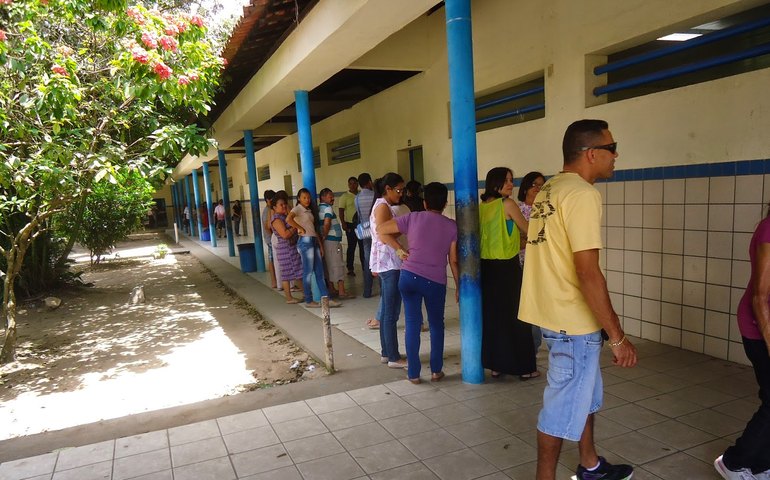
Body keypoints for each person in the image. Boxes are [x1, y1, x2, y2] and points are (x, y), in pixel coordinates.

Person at [519, 119, 637, 480]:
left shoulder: (551, 187)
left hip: (553, 314)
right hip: (572, 323)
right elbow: (587, 272)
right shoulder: (583, 194)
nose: (616, 155)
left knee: (583, 395)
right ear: (591, 153)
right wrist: (617, 336)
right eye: (611, 148)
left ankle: (591, 465)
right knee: (559, 409)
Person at [377, 182, 458, 384]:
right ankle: (436, 371)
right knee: (436, 324)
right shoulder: (451, 226)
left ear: (425, 202)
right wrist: (458, 286)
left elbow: (381, 229)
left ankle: (413, 374)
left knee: (412, 323)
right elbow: (453, 260)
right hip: (435, 281)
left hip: (409, 277)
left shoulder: (412, 218)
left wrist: (399, 249)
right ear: (445, 203)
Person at [714, 207, 770, 479]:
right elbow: (760, 296)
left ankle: (761, 465)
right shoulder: (769, 229)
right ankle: (733, 462)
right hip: (761, 328)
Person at [479, 167, 538, 380]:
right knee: (517, 317)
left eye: (511, 180)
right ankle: (525, 368)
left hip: (486, 269)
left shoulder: (481, 207)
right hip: (507, 269)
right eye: (506, 181)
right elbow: (529, 229)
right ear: (495, 183)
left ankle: (496, 365)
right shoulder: (507, 204)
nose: (511, 185)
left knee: (494, 318)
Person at [370, 173, 407, 369]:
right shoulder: (383, 206)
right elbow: (383, 234)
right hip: (390, 263)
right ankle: (394, 357)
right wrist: (402, 251)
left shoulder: (382, 205)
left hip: (385, 263)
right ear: (388, 189)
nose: (401, 194)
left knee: (386, 311)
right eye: (398, 190)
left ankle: (386, 353)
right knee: (391, 313)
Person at [287, 188, 341, 308]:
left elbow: (313, 229)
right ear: (299, 198)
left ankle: (326, 299)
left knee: (319, 272)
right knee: (308, 273)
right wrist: (299, 228)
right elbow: (288, 219)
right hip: (305, 241)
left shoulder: (308, 210)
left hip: (313, 241)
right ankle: (308, 300)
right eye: (304, 198)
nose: (307, 200)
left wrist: (320, 245)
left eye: (308, 197)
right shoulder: (297, 209)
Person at [517, 171, 546, 353]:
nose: (538, 188)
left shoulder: (546, 211)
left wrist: (528, 238)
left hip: (542, 266)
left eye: (541, 185)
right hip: (521, 265)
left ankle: (534, 346)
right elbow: (516, 241)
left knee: (539, 307)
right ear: (526, 187)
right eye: (534, 184)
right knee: (526, 306)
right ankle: (528, 347)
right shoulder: (518, 210)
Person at [319, 188, 353, 299]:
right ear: (323, 197)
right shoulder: (328, 208)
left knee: (329, 265)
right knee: (338, 264)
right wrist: (324, 235)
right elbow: (327, 223)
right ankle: (342, 291)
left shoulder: (320, 208)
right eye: (330, 196)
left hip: (327, 242)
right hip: (332, 241)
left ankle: (332, 288)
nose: (333, 198)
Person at [270, 191, 303, 304]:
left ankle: (306, 293)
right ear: (274, 207)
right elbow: (285, 234)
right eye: (281, 205)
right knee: (287, 274)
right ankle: (289, 298)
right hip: (285, 250)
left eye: (285, 204)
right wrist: (295, 227)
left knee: (299, 272)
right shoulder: (276, 219)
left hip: (292, 248)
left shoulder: (285, 216)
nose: (284, 206)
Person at [356, 173, 376, 299]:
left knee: (367, 259)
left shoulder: (357, 198)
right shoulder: (375, 195)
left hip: (365, 231)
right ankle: (383, 289)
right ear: (369, 182)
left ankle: (367, 291)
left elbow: (359, 216)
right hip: (376, 230)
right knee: (379, 257)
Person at [338, 177, 362, 277]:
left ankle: (365, 267)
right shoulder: (344, 197)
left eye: (354, 183)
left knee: (362, 247)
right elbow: (341, 211)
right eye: (350, 183)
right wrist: (343, 223)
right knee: (351, 247)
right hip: (350, 224)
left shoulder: (361, 194)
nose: (353, 185)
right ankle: (350, 268)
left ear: (357, 184)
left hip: (361, 224)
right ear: (348, 185)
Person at [262, 190, 278, 288]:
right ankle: (273, 281)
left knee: (272, 259)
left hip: (271, 238)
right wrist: (273, 237)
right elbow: (266, 227)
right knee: (272, 260)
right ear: (268, 200)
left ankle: (275, 281)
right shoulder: (267, 211)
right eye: (273, 199)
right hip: (270, 239)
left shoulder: (270, 209)